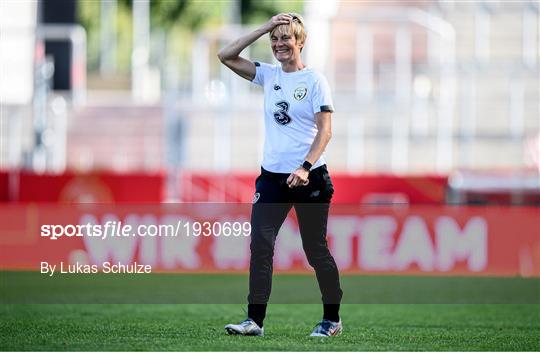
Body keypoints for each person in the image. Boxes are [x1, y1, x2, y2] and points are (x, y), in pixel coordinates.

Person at [218, 13, 343, 337]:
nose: (279, 45)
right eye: (274, 40)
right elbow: (226, 55)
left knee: (315, 251)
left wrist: (305, 167)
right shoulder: (268, 75)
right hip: (272, 179)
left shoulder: (315, 80)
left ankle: (332, 319)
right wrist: (263, 28)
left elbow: (325, 131)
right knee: (261, 244)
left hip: (310, 177)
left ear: (300, 42)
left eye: (285, 38)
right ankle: (254, 321)